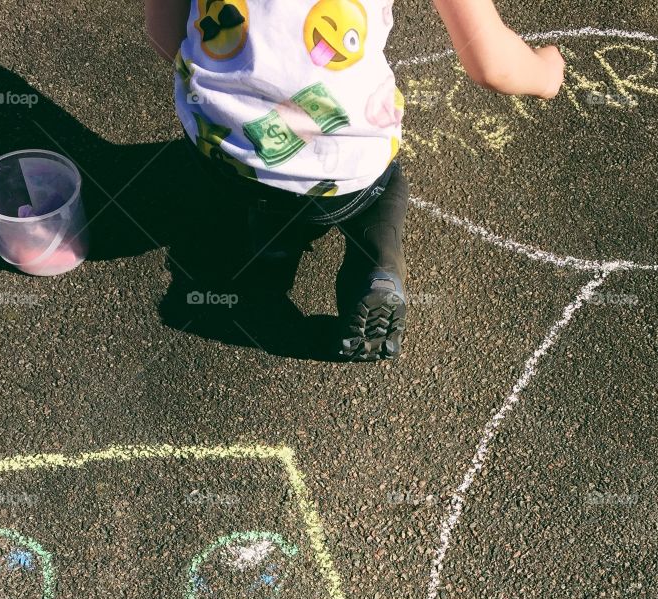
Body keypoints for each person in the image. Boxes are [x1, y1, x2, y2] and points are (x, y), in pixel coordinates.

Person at [145, 0, 565, 359]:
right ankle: (375, 257)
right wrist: (547, 73)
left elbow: (162, 33)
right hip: (342, 175)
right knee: (382, 175)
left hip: (219, 156)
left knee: (258, 177)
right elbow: (493, 65)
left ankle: (269, 245)